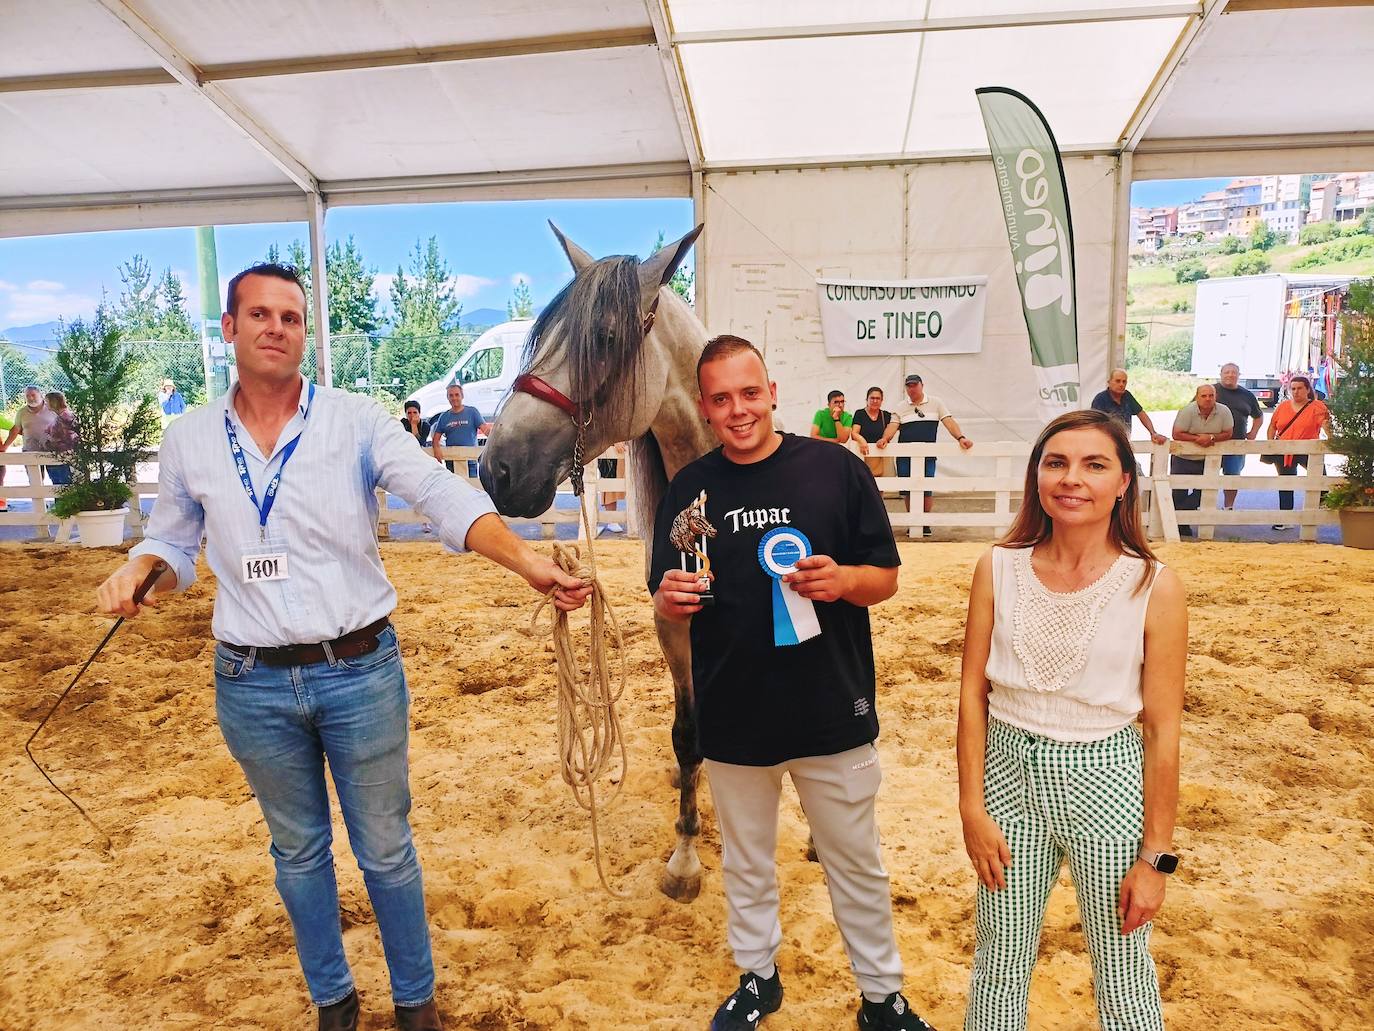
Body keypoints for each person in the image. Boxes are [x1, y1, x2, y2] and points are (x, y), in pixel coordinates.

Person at [94, 263, 592, 1031]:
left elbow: (438, 494)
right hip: (250, 681)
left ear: (305, 333)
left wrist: (526, 559)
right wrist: (142, 571)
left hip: (359, 670)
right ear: (229, 328)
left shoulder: (355, 420)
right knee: (297, 854)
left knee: (386, 848)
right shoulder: (190, 437)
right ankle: (333, 1000)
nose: (275, 328)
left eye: (290, 317)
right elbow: (174, 542)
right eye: (258, 314)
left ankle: (415, 999)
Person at [652, 335, 937, 1031]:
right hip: (733, 714)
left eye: (749, 393)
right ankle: (758, 979)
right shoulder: (688, 490)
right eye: (721, 398)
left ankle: (882, 995)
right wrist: (665, 598)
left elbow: (886, 576)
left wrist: (842, 580)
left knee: (857, 865)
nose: (738, 409)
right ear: (704, 407)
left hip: (830, 708)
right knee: (747, 864)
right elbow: (667, 589)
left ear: (772, 391)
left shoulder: (836, 469)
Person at [957, 408, 1186, 1031]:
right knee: (999, 962)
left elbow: (1163, 730)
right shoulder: (997, 567)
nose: (1071, 478)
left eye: (1093, 464)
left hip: (1107, 782)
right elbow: (972, 695)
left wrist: (1157, 858)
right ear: (1037, 478)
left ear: (1123, 484)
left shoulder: (1153, 586)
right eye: (1055, 462)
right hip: (1006, 782)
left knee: (1121, 965)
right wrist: (972, 808)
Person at [895, 374, 974, 537]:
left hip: (928, 455)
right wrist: (885, 439)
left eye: (914, 385)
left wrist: (961, 437)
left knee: (926, 489)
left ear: (922, 385)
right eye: (909, 386)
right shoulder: (901, 407)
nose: (912, 389)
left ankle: (925, 523)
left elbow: (949, 422)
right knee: (908, 490)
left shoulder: (936, 403)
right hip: (905, 455)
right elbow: (892, 425)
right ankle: (913, 521)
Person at [1265, 374, 1329, 532]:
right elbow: (1273, 425)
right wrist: (1271, 444)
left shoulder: (1317, 407)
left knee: (1321, 479)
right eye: (1293, 388)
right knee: (1286, 483)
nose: (1296, 392)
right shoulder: (1283, 406)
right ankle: (1285, 519)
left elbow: (1326, 425)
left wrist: (1332, 441)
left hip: (1308, 448)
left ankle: (1322, 508)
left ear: (1307, 389)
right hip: (1284, 450)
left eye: (1300, 388)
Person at [1169, 384, 1233, 538]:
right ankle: (1181, 527)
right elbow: (1176, 434)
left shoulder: (1224, 411)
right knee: (1178, 492)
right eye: (1204, 396)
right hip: (1183, 459)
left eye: (1211, 395)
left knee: (1204, 493)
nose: (1208, 399)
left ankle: (1177, 517)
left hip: (1209, 460)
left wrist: (1211, 438)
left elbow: (1228, 432)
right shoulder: (1187, 411)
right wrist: (1198, 439)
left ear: (1215, 396)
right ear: (1197, 397)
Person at [1213, 363, 1264, 511]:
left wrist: (1253, 433)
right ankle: (1204, 505)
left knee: (1233, 476)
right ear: (1221, 374)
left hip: (1237, 444)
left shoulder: (1247, 395)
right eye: (1227, 372)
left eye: (1234, 372)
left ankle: (1228, 507)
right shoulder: (1211, 391)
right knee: (1208, 475)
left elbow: (1258, 416)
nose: (1230, 375)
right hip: (1212, 442)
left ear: (1239, 375)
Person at [2, 385, 59, 497]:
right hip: (30, 451)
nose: (30, 398)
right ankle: (40, 507)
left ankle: (60, 507)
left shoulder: (52, 409)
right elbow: (15, 430)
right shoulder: (21, 412)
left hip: (52, 451)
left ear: (40, 395)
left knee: (57, 481)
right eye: (27, 396)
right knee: (35, 483)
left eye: (33, 395)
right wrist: (5, 446)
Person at [1090, 370, 1167, 445]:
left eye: (1124, 382)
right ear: (1109, 382)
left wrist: (1153, 433)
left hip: (1125, 442)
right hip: (1106, 443)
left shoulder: (1127, 396)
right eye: (1118, 381)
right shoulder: (1100, 399)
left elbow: (1141, 414)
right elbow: (1094, 424)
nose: (1121, 384)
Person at [428, 382, 490, 478]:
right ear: (448, 398)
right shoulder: (444, 417)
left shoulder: (472, 412)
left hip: (470, 460)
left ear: (462, 396)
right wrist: (436, 449)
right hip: (451, 461)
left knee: (472, 488)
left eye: (457, 395)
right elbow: (436, 438)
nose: (454, 398)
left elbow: (485, 430)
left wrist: (496, 439)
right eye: (451, 395)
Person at [852, 386, 898, 478]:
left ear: (882, 400)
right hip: (864, 455)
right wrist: (862, 441)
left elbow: (895, 426)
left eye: (878, 398)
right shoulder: (860, 414)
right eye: (872, 398)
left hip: (882, 456)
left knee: (882, 486)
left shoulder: (886, 415)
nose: (875, 401)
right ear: (867, 399)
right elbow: (854, 433)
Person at [43, 390, 77, 485]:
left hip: (62, 458)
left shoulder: (65, 417)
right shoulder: (60, 416)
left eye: (47, 402)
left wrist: (51, 440)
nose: (45, 405)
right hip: (57, 458)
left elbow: (68, 438)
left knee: (63, 487)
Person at [597, 440, 628, 534]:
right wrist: (615, 440)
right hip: (606, 441)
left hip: (626, 439)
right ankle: (611, 519)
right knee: (609, 475)